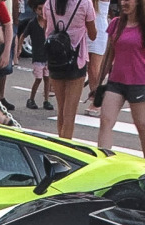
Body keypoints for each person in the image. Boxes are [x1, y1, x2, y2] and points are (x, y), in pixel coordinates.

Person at [95, 0, 145, 157]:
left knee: (141, 125)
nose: (123, 3)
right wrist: (98, 83)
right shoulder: (116, 24)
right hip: (115, 82)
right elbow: (108, 55)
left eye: (128, 0)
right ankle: (104, 161)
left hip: (139, 83)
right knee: (105, 121)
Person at [46, 0, 98, 138]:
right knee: (69, 114)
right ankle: (65, 149)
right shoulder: (84, 3)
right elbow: (93, 35)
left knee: (61, 110)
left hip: (55, 60)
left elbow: (48, 28)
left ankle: (60, 141)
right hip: (76, 60)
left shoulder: (49, 3)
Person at [27, 0, 55, 108]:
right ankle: (31, 99)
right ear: (35, 9)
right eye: (39, 9)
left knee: (47, 78)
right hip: (38, 56)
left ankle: (46, 100)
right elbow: (23, 36)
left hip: (47, 56)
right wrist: (19, 48)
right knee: (38, 79)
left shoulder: (49, 22)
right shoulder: (32, 23)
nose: (42, 12)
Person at [85, 0, 111, 116]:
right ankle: (95, 97)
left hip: (99, 29)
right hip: (87, 27)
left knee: (95, 67)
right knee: (89, 68)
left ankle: (97, 102)